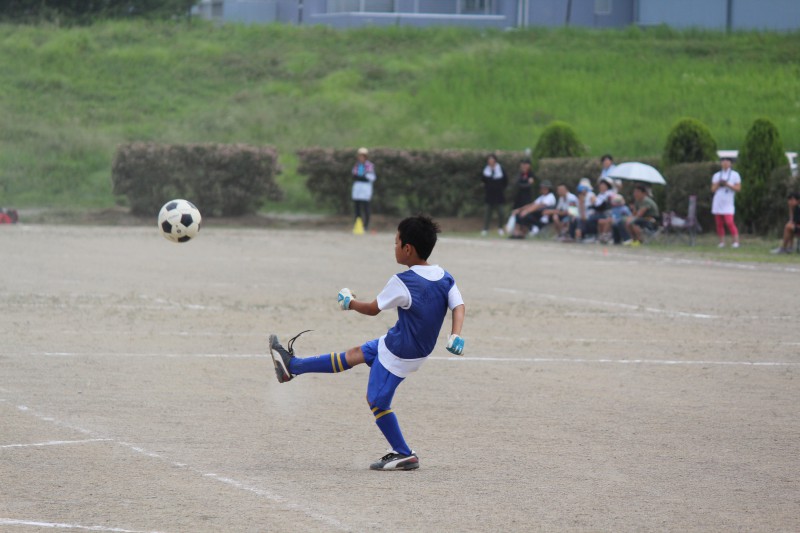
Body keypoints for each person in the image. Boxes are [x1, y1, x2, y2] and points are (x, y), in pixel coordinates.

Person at [269, 215, 466, 471]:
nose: (394, 246)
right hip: (403, 343)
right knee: (354, 354)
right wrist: (455, 334)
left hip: (400, 352)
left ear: (407, 248)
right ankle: (292, 366)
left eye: (396, 242)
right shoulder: (444, 276)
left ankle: (404, 453)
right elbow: (458, 305)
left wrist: (349, 303)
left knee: (377, 401)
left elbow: (373, 309)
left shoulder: (403, 281)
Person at [711, 156, 741, 248]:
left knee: (729, 222)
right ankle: (721, 242)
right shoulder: (716, 175)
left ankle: (736, 242)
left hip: (728, 202)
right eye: (723, 161)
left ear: (730, 163)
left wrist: (727, 184)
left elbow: (738, 188)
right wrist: (718, 183)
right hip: (718, 200)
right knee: (719, 223)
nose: (725, 163)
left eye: (727, 161)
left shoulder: (735, 175)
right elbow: (713, 189)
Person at [481, 154, 508, 236]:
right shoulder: (486, 170)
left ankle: (500, 228)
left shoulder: (501, 169)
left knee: (501, 212)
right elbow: (483, 180)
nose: (490, 162)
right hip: (489, 194)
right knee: (487, 212)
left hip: (499, 194)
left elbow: (505, 181)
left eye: (492, 160)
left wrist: (501, 188)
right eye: (489, 160)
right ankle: (485, 229)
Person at [351, 147, 376, 231]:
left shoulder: (370, 165)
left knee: (366, 207)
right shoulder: (357, 165)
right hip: (357, 187)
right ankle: (358, 224)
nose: (361, 158)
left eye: (362, 156)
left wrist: (364, 177)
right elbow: (354, 175)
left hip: (365, 188)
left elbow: (372, 177)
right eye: (360, 156)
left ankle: (366, 225)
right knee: (357, 207)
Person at [570, 178, 597, 242]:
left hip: (590, 215)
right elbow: (572, 209)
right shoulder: (577, 197)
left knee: (581, 220)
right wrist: (573, 215)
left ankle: (580, 236)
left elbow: (594, 206)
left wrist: (582, 203)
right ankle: (573, 236)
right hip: (580, 215)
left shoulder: (591, 195)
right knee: (574, 219)